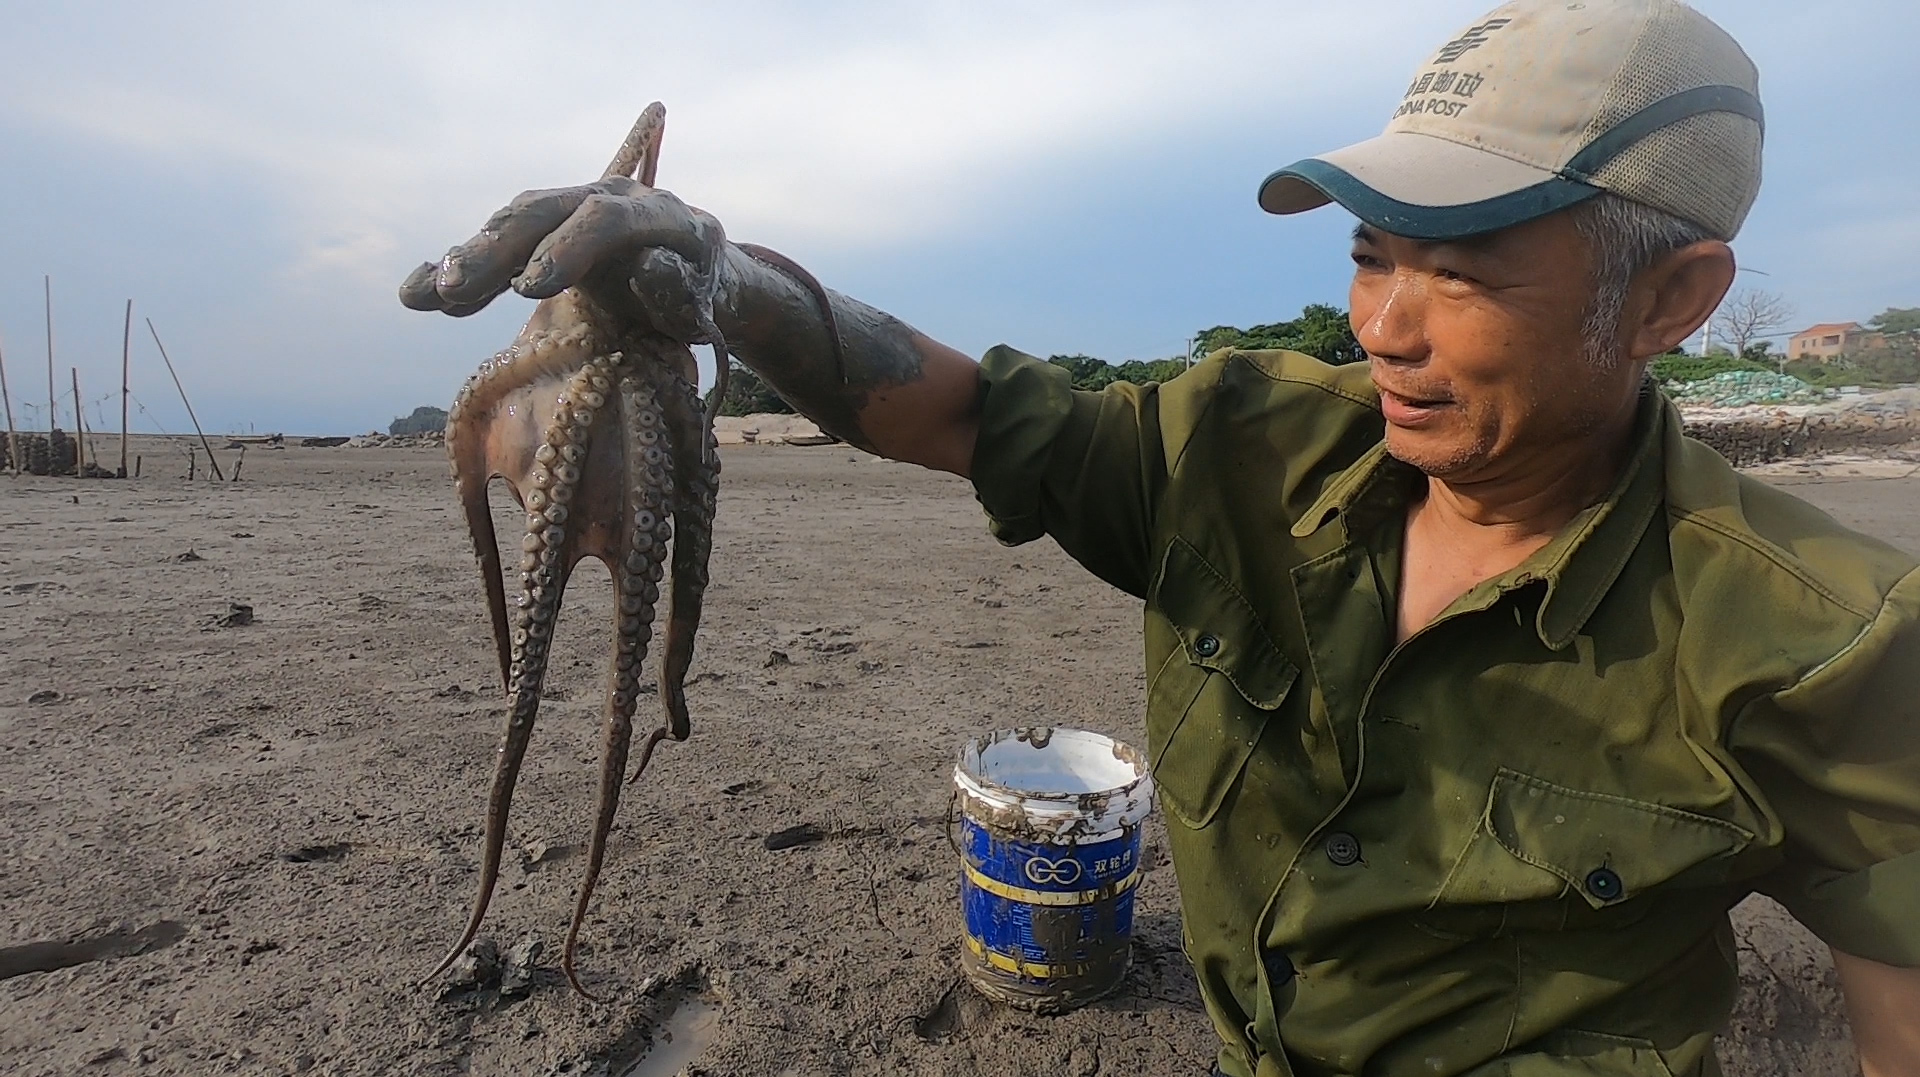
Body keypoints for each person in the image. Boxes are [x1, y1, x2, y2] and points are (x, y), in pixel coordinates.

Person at [401, 1, 1920, 1073]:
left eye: (1460, 275)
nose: (1380, 325)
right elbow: (968, 415)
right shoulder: (1238, 446)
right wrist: (734, 289)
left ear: (1673, 300)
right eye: (1370, 254)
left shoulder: (1832, 639)